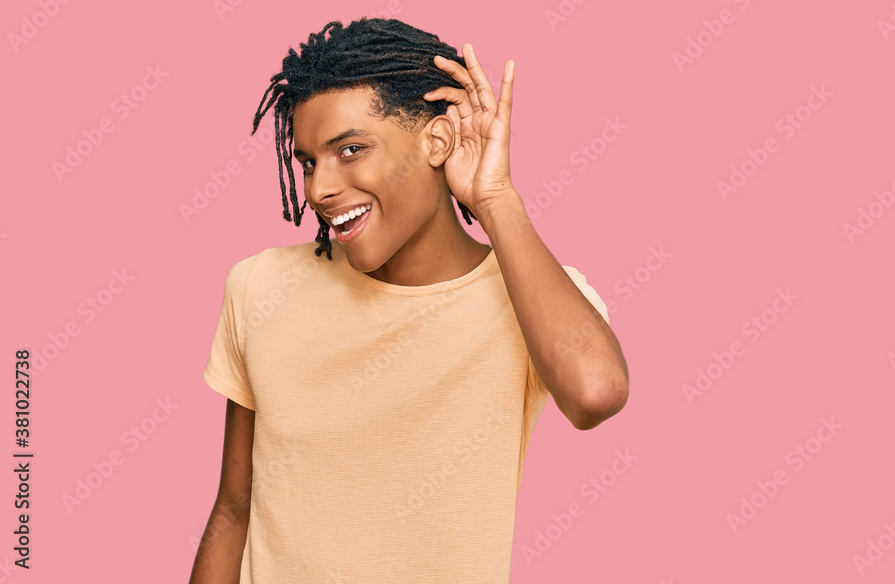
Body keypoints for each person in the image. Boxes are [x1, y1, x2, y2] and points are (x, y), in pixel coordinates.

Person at [189, 17, 629, 584]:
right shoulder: (260, 288)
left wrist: (496, 200)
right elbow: (233, 509)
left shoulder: (528, 295)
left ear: (438, 142)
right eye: (308, 161)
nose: (320, 188)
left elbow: (595, 393)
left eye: (350, 150)